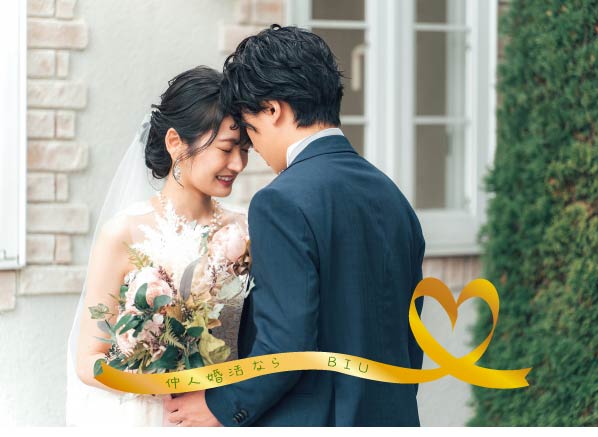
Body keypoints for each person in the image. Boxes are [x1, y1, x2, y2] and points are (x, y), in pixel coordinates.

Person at [163, 25, 426, 427]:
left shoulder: (280, 201)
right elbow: (410, 336)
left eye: (250, 129)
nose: (255, 150)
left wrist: (222, 406)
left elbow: (286, 342)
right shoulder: (393, 197)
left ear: (273, 110)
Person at [65, 65, 252, 426]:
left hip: (220, 415)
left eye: (245, 150)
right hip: (148, 415)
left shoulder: (244, 231)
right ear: (175, 143)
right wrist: (160, 381)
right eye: (227, 148)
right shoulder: (124, 233)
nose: (238, 163)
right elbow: (89, 361)